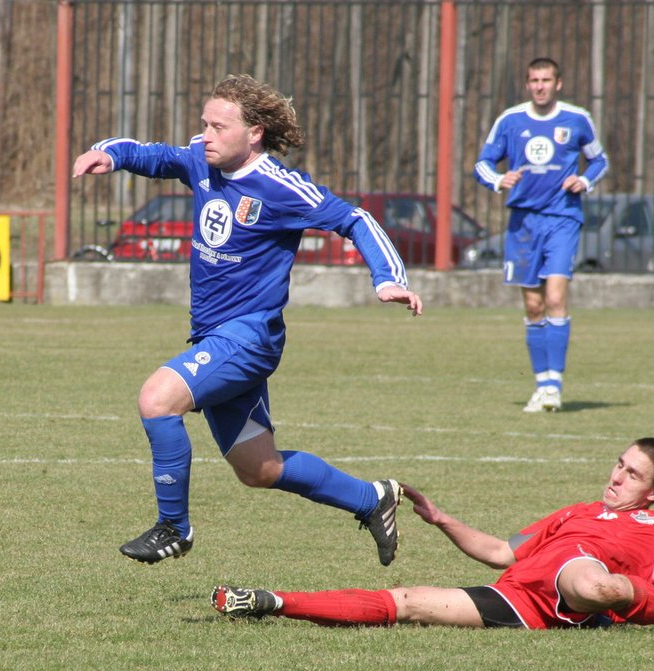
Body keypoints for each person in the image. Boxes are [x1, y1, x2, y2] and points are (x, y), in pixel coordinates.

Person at [72, 74, 424, 566]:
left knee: (156, 400)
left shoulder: (279, 186)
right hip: (213, 335)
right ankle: (372, 499)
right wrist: (110, 154)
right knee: (259, 469)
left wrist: (386, 278)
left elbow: (356, 219)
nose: (206, 135)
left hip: (249, 336)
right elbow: (159, 155)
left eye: (219, 126)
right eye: (204, 124)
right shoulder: (203, 158)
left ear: (254, 132)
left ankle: (174, 526)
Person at [213, 438, 654, 635]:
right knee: (407, 602)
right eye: (618, 464)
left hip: (582, 593)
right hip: (524, 600)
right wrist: (443, 521)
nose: (616, 477)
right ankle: (270, 599)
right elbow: (500, 553)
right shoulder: (570, 513)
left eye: (631, 475)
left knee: (594, 578)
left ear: (653, 492)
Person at [473, 58, 609, 413]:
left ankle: (555, 385)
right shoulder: (511, 120)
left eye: (546, 80)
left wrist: (585, 180)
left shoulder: (576, 119)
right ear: (527, 83)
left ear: (558, 83)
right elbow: (482, 164)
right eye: (534, 80)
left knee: (556, 297)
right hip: (523, 222)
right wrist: (498, 180)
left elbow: (599, 160)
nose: (540, 86)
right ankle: (542, 385)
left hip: (563, 218)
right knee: (533, 305)